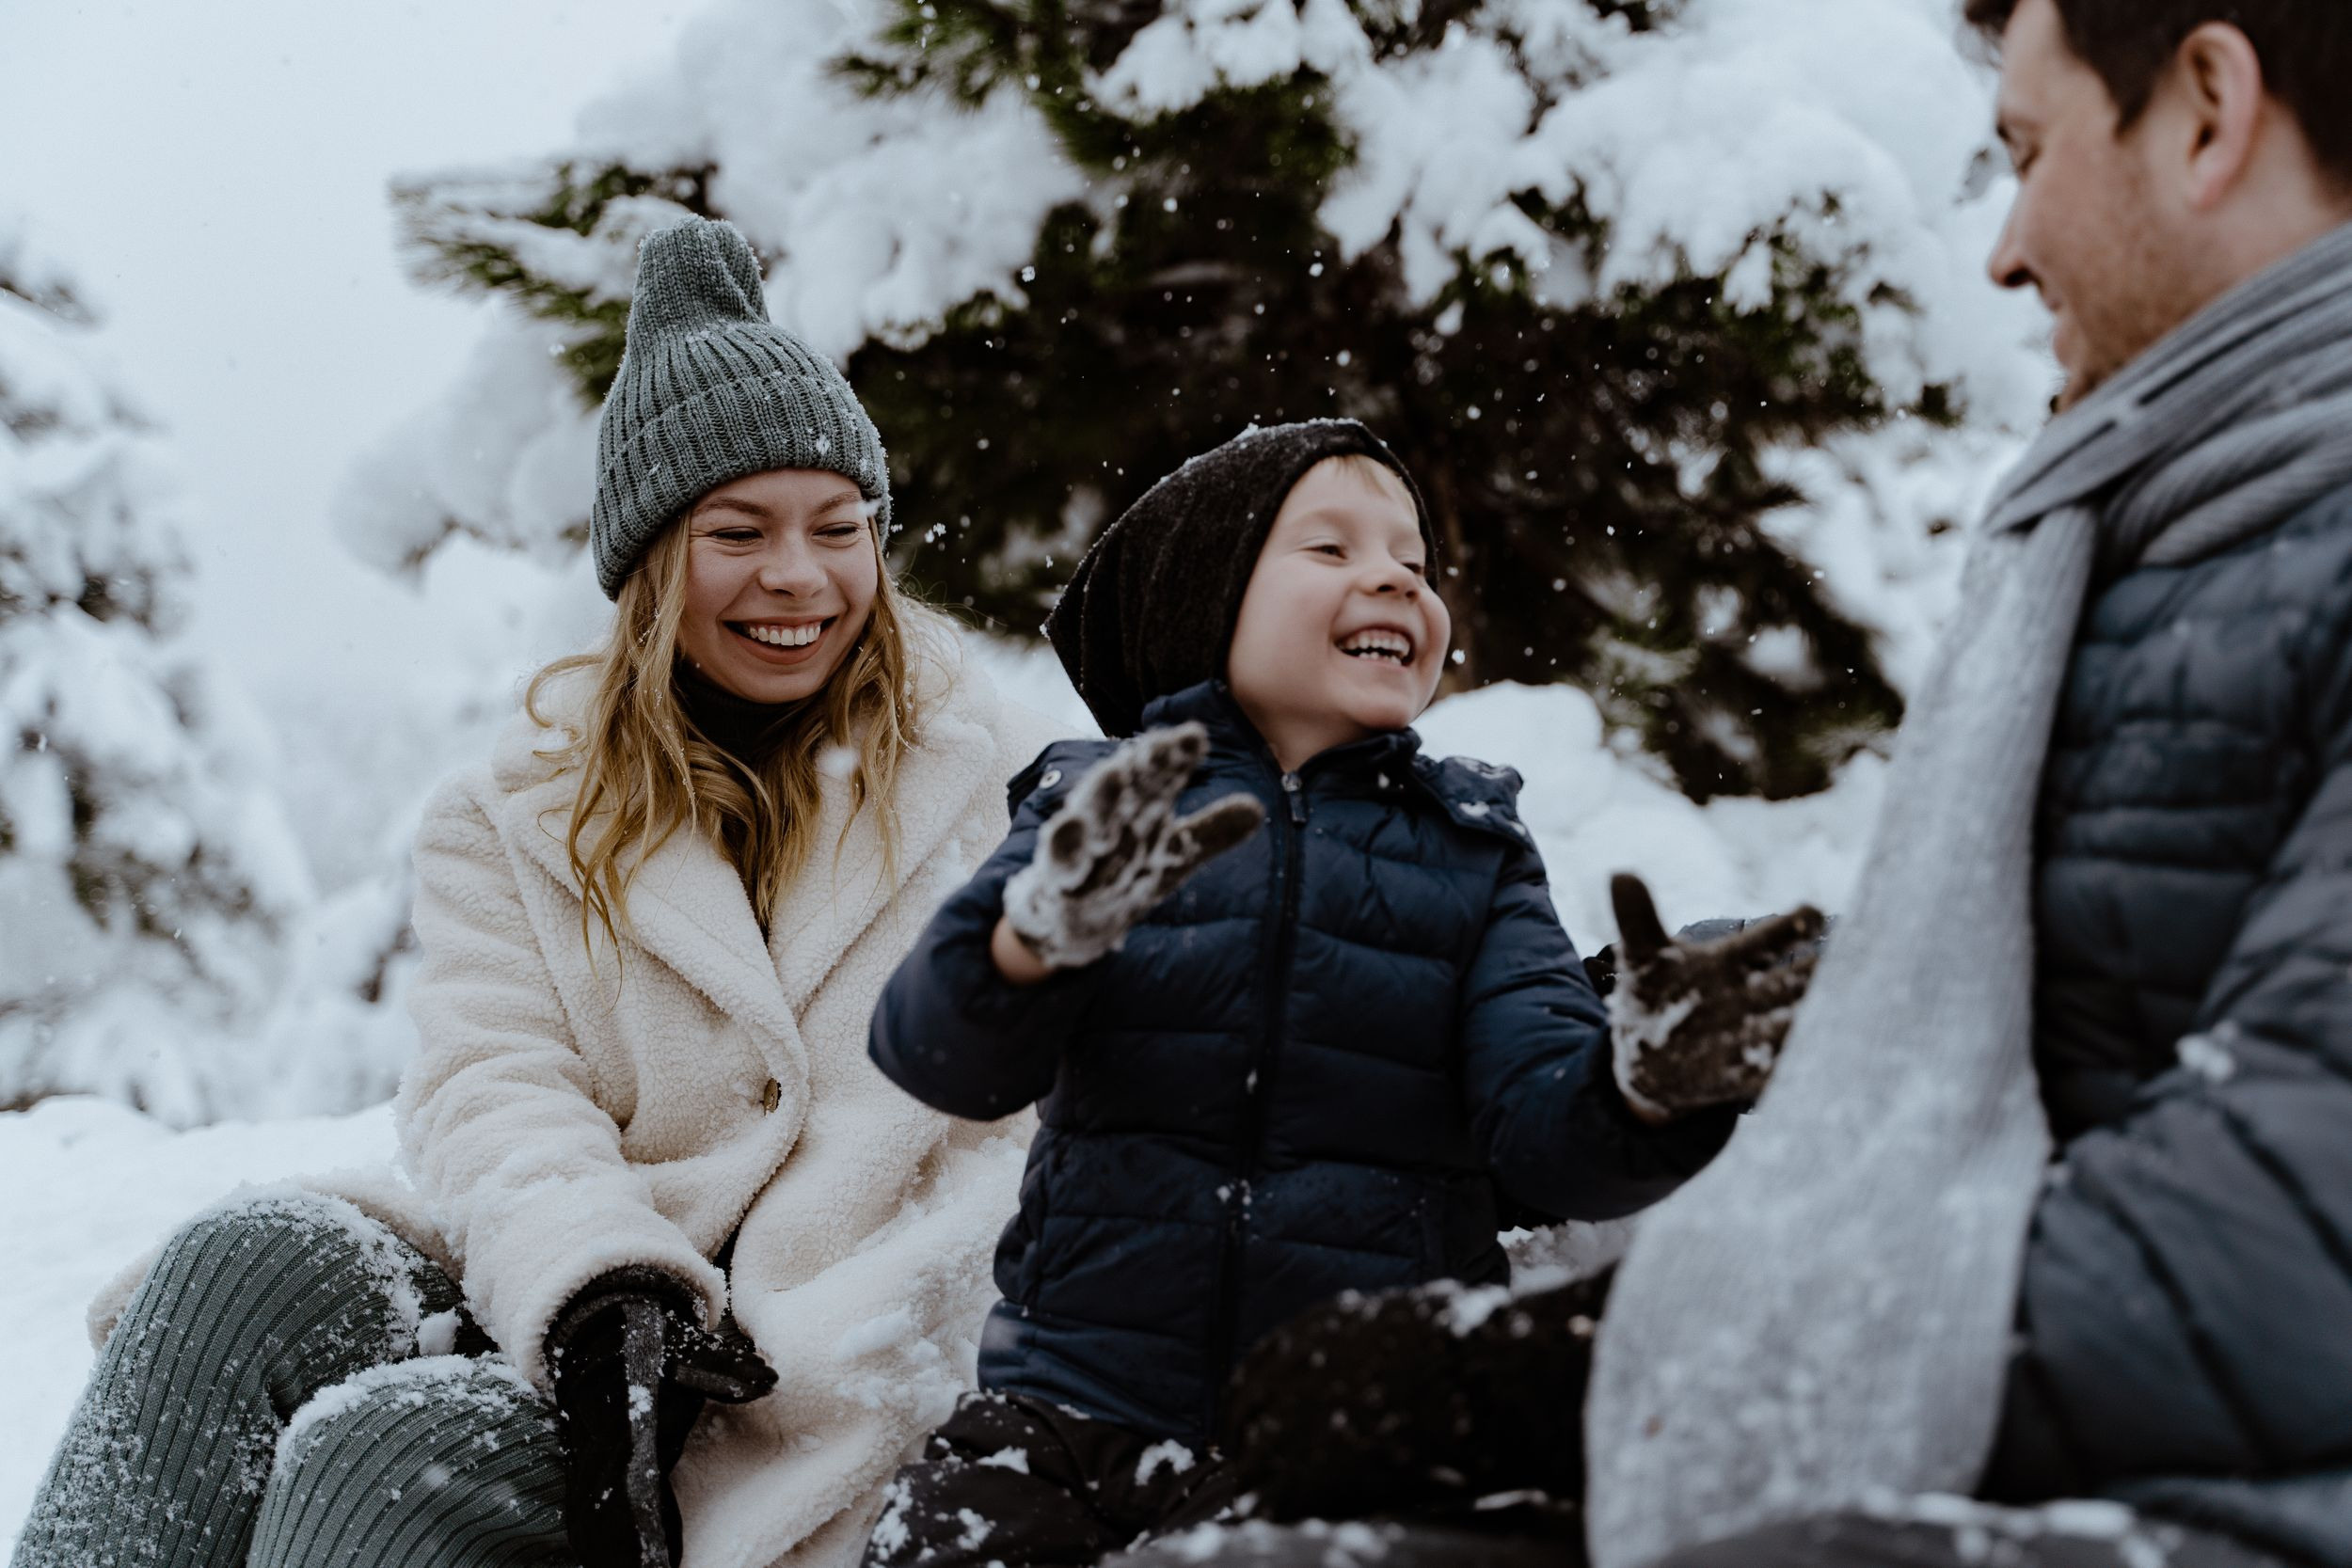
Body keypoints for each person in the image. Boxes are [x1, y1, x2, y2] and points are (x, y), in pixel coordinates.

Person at [1139, 2, 2352, 1566]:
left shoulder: (2267, 541)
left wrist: (1588, 1369)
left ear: (2206, 107)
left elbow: (2283, 1243)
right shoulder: (2174, 534)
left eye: (2031, 154)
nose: (2003, 247)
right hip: (2060, 1422)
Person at [9, 216, 1060, 1568]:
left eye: (837, 527)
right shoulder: (516, 815)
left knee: (386, 1455)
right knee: (241, 1262)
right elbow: (493, 1082)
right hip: (582, 1311)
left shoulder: (993, 785)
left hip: (792, 1362)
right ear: (648, 566)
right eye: (739, 530)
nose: (798, 574)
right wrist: (597, 1284)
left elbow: (1027, 1138)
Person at [853, 420, 1825, 1568]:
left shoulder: (1469, 854)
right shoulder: (1101, 821)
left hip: (1340, 1432)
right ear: (1204, 601)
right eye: (1330, 549)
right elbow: (937, 1056)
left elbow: (1540, 1128)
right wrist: (1031, 941)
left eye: (1412, 563)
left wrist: (1646, 1089)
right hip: (1067, 1409)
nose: (1392, 580)